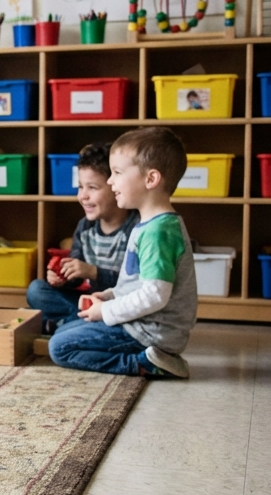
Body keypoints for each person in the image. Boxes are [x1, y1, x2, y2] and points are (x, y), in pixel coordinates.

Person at [48, 127, 197, 379]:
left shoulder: (158, 232)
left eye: (117, 173)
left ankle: (145, 362)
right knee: (64, 333)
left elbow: (155, 295)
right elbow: (137, 282)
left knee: (60, 348)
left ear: (150, 179)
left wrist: (107, 312)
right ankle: (151, 356)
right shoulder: (149, 223)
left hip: (151, 332)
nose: (110, 181)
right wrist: (109, 296)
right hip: (142, 325)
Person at [27, 143, 139, 333]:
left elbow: (135, 286)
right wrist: (64, 277)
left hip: (122, 306)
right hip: (92, 301)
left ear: (116, 187)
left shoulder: (136, 228)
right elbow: (77, 275)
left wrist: (93, 272)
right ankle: (72, 323)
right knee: (36, 290)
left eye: (92, 188)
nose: (82, 196)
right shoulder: (85, 226)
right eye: (80, 187)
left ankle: (63, 324)